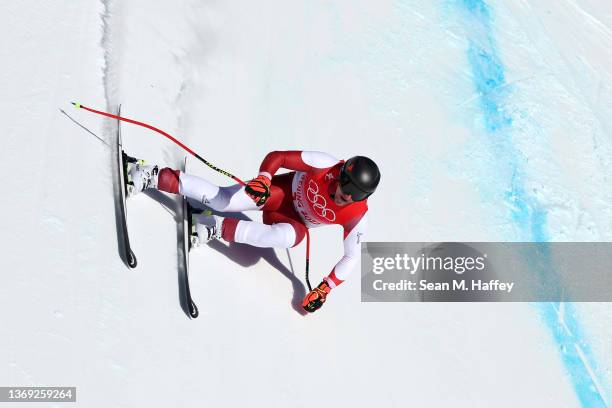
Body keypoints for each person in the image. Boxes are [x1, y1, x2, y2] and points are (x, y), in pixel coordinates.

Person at [127, 151, 380, 313]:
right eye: (348, 186)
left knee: (287, 238)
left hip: (291, 220)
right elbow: (278, 157)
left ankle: (210, 226)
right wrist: (264, 178)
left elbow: (352, 257)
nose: (348, 196)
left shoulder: (357, 215)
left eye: (358, 194)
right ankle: (147, 173)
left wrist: (325, 288)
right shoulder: (324, 165)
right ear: (342, 174)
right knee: (221, 200)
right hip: (276, 194)